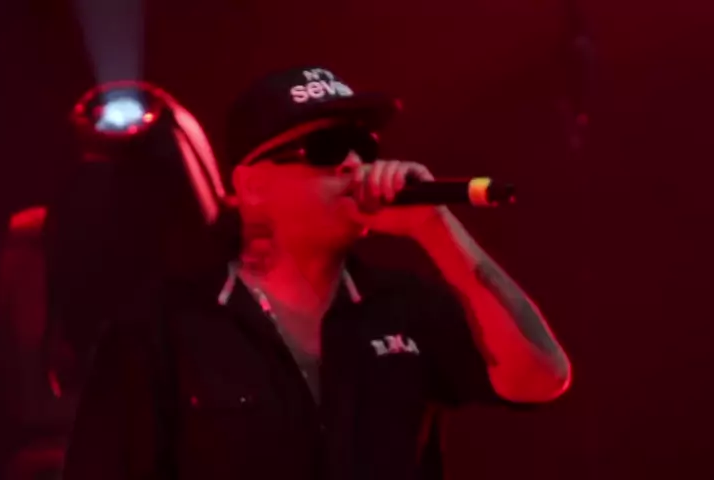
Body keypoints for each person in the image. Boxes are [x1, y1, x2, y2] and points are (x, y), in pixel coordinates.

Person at [62, 66, 572, 480]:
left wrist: (435, 227)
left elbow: (541, 377)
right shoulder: (161, 330)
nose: (353, 164)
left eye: (363, 146)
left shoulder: (406, 307)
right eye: (326, 150)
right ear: (252, 185)